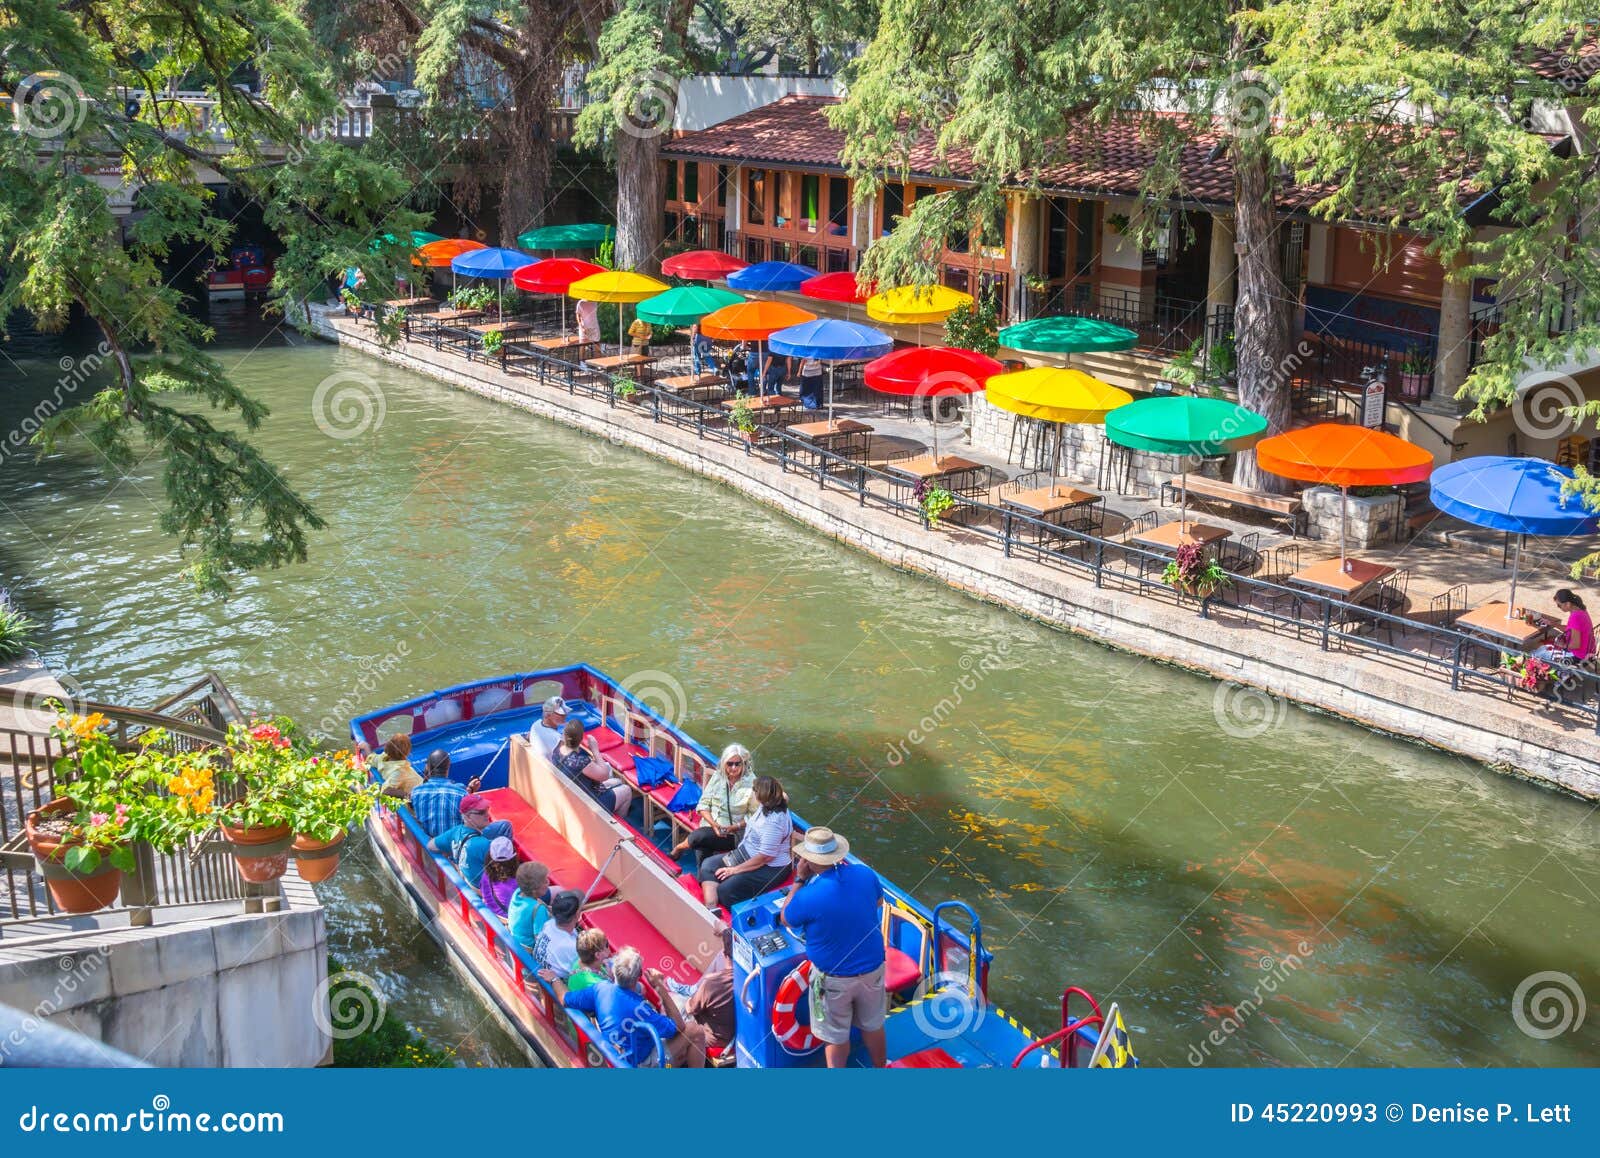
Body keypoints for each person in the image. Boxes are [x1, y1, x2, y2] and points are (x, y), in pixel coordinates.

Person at [779, 827, 887, 1067]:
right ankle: (882, 1067)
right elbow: (878, 902)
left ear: (808, 860)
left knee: (836, 1037)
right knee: (873, 1025)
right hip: (873, 968)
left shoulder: (809, 895)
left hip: (834, 979)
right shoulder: (865, 874)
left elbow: (786, 917)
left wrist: (799, 879)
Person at [561, 947, 704, 1068]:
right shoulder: (642, 1010)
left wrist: (554, 979)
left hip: (615, 1053)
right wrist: (659, 986)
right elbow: (679, 1027)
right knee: (695, 1031)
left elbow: (565, 998)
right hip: (637, 1063)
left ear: (614, 971)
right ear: (638, 976)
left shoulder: (600, 988)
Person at [698, 775, 793, 909]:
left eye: (754, 790)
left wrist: (734, 870)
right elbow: (783, 795)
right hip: (747, 853)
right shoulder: (770, 803)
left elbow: (765, 857)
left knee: (725, 890)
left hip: (770, 867)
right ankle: (711, 908)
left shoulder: (774, 822)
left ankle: (730, 914)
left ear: (761, 796)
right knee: (708, 865)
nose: (752, 792)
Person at [670, 743, 757, 867]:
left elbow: (753, 816)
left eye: (737, 764)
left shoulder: (752, 783)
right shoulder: (718, 776)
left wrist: (734, 827)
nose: (733, 768)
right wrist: (713, 824)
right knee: (702, 845)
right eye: (729, 764)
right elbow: (703, 804)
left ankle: (679, 848)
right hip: (709, 826)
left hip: (733, 834)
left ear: (744, 763)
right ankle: (703, 880)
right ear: (724, 763)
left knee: (699, 837)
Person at [550, 718, 633, 816]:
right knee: (626, 790)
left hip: (575, 794)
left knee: (618, 781)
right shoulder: (580, 761)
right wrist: (595, 750)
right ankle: (617, 824)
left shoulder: (556, 752)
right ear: (581, 739)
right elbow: (604, 775)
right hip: (588, 804)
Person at [428, 793, 512, 888]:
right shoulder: (484, 845)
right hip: (487, 891)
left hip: (468, 873)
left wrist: (453, 858)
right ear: (467, 817)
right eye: (481, 812)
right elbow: (508, 873)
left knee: (504, 825)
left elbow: (430, 845)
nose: (487, 814)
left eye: (487, 809)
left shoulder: (456, 831)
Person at [684, 923, 736, 1054]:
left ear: (726, 956)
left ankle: (668, 1065)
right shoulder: (750, 979)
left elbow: (690, 1009)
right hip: (733, 1031)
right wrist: (725, 931)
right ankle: (695, 989)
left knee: (672, 1004)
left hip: (715, 1038)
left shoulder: (712, 983)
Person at [409, 749, 481, 839]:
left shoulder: (415, 792)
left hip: (427, 845)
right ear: (448, 767)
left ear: (427, 767)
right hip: (452, 847)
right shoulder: (461, 794)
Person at [533, 889, 584, 979]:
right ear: (577, 915)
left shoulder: (549, 924)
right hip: (553, 985)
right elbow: (581, 975)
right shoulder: (572, 947)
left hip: (539, 972)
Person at [1534, 589, 1595, 664]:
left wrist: (1562, 645)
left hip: (1579, 656)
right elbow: (1571, 629)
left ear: (1568, 604)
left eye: (1559, 605)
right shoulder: (1580, 610)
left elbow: (1575, 645)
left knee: (1537, 654)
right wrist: (1553, 624)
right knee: (1542, 648)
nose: (1558, 607)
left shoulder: (1575, 617)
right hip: (1588, 650)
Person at [506, 861, 552, 950]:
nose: (548, 883)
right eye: (545, 881)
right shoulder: (538, 909)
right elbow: (541, 940)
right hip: (528, 949)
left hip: (517, 939)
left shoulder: (518, 892)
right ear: (534, 890)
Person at [560, 928, 613, 994]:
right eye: (606, 944)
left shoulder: (579, 962)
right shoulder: (597, 985)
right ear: (598, 955)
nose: (609, 946)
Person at [478, 836, 520, 918]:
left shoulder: (485, 876)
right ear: (514, 857)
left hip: (494, 915)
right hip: (510, 919)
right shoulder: (518, 882)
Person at [372, 734, 420, 800]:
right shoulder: (399, 771)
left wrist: (365, 747)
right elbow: (386, 791)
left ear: (387, 747)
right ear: (407, 753)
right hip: (417, 795)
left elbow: (370, 757)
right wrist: (407, 795)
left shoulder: (381, 758)